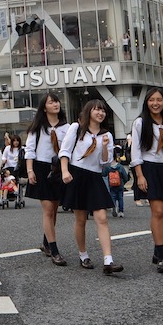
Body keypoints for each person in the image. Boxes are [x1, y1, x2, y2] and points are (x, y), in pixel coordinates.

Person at [60, 99, 122, 274]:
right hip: (77, 174)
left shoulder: (106, 135)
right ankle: (83, 255)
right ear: (89, 111)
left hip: (95, 176)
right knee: (80, 219)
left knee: (102, 217)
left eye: (103, 111)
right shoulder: (76, 128)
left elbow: (106, 162)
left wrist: (103, 147)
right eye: (97, 110)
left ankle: (108, 261)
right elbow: (65, 151)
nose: (100, 113)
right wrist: (65, 171)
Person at [131, 87, 163, 273]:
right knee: (158, 211)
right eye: (152, 100)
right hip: (149, 168)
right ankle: (161, 254)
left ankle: (157, 250)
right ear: (147, 102)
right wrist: (139, 175)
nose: (155, 103)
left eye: (159, 100)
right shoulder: (140, 123)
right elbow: (136, 150)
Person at [25, 91, 70, 265]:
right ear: (44, 107)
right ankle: (55, 250)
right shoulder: (37, 127)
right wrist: (30, 171)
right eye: (51, 102)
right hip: (41, 168)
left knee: (55, 209)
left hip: (59, 168)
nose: (55, 105)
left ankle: (46, 242)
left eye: (57, 102)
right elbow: (29, 150)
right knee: (48, 210)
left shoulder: (67, 127)